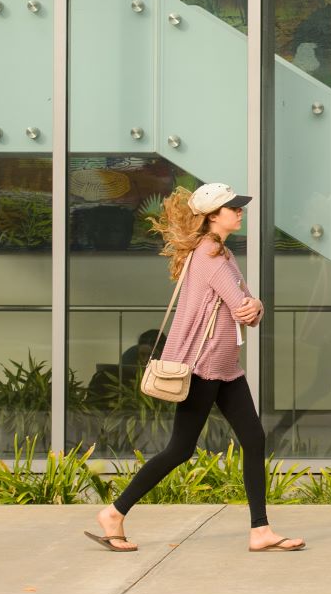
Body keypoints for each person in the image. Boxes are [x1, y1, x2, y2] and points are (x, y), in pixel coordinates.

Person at [86, 182, 304, 554]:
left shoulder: (223, 253)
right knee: (180, 449)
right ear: (213, 215)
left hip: (226, 367)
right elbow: (243, 307)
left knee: (253, 439)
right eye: (232, 207)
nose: (240, 211)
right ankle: (114, 513)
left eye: (239, 206)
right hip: (202, 367)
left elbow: (250, 308)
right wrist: (253, 306)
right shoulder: (209, 254)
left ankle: (260, 530)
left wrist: (256, 306)